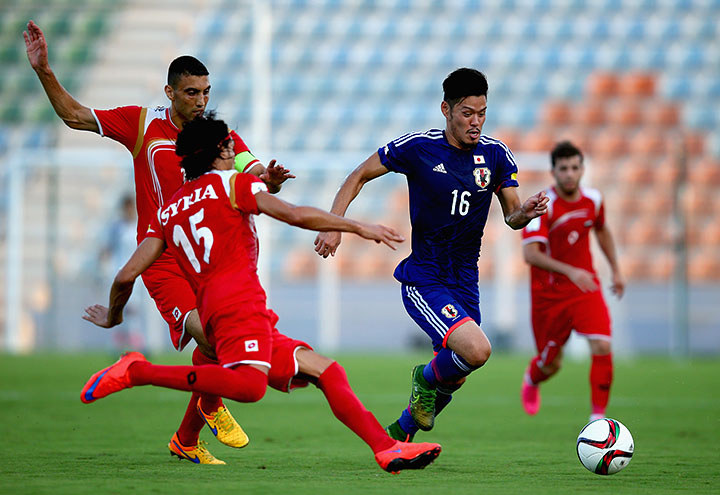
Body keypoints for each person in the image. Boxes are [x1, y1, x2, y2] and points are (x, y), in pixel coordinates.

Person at [80, 114, 442, 473]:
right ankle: (139, 371)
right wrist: (356, 225)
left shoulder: (168, 211)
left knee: (327, 371)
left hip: (219, 310)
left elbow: (127, 274)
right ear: (218, 151)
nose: (234, 148)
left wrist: (114, 316)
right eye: (228, 144)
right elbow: (296, 215)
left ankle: (386, 448)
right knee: (250, 387)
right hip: (238, 305)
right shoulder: (232, 184)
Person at [24, 20, 294, 458]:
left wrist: (274, 181)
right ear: (170, 92)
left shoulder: (218, 136)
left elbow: (253, 170)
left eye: (206, 92)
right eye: (192, 92)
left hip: (209, 263)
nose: (201, 101)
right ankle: (209, 406)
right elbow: (75, 116)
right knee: (210, 339)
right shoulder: (142, 125)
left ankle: (185, 439)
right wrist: (44, 71)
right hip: (164, 258)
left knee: (218, 338)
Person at [313, 68, 549, 442]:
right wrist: (332, 224)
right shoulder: (419, 148)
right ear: (446, 109)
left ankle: (397, 438)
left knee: (457, 370)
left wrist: (527, 211)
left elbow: (512, 216)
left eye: (482, 112)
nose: (476, 122)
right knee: (477, 349)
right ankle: (421, 377)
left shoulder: (496, 154)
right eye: (467, 113)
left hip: (465, 280)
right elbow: (358, 174)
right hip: (425, 277)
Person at [520, 140, 624, 421]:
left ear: (582, 170)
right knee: (551, 364)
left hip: (585, 288)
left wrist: (615, 269)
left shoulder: (594, 200)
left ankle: (598, 419)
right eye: (563, 168)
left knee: (602, 345)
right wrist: (569, 270)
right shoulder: (543, 206)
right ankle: (532, 378)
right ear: (553, 172)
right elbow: (530, 255)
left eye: (574, 168)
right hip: (549, 295)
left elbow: (601, 230)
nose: (569, 173)